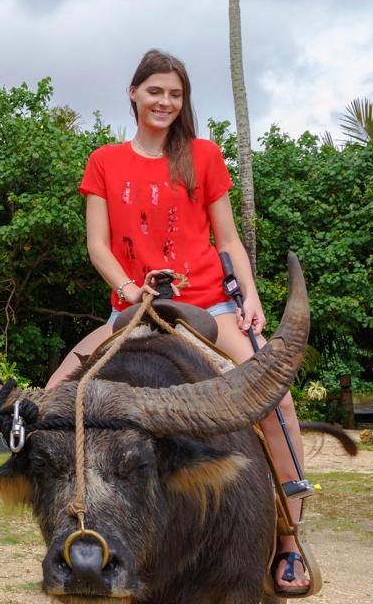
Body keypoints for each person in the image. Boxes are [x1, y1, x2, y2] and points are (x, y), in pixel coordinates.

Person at [45, 48, 314, 597]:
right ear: (133, 94)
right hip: (131, 306)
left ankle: (289, 536)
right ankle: (69, 536)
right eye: (155, 91)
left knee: (276, 400)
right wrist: (126, 289)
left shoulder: (203, 156)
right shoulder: (104, 161)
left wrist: (253, 298)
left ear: (182, 101)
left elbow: (229, 240)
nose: (165, 102)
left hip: (208, 307)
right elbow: (97, 245)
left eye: (175, 94)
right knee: (52, 400)